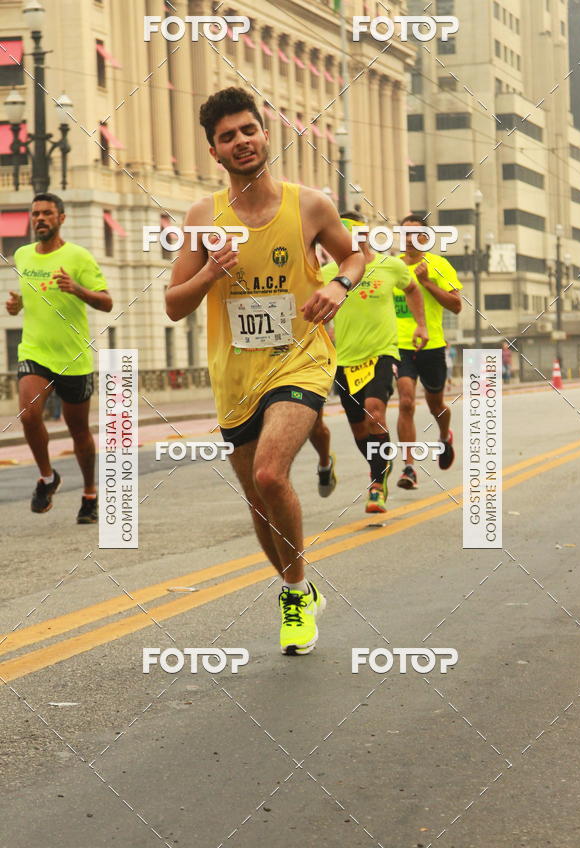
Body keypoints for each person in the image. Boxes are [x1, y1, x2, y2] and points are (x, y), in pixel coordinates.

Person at [165, 87, 365, 656]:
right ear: (215, 152)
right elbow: (174, 303)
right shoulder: (204, 218)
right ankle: (294, 581)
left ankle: (296, 595)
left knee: (271, 476)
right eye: (228, 136)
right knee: (258, 499)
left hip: (301, 356)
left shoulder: (311, 205)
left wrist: (336, 284)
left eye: (248, 129)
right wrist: (210, 273)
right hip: (236, 375)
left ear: (264, 133)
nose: (241, 141)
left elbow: (354, 255)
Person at [6, 193, 112, 522]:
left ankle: (90, 493)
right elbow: (30, 295)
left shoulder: (78, 257)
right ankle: (48, 477)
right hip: (35, 351)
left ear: (61, 218)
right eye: (35, 213)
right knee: (28, 413)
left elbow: (106, 303)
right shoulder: (22, 255)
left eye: (47, 213)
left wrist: (77, 289)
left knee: (78, 430)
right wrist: (17, 305)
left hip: (74, 358)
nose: (40, 218)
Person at [320, 213, 428, 513]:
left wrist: (421, 325)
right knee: (359, 429)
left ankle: (377, 484)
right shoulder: (329, 271)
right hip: (345, 360)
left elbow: (412, 289)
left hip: (382, 353)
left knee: (375, 413)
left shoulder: (390, 266)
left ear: (366, 235)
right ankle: (379, 465)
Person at [394, 214, 463, 489]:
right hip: (399, 345)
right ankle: (409, 467)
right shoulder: (391, 267)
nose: (410, 239)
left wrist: (427, 283)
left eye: (415, 234)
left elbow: (456, 306)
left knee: (436, 404)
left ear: (427, 237)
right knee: (406, 401)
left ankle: (445, 435)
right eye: (405, 234)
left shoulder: (439, 265)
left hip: (432, 346)